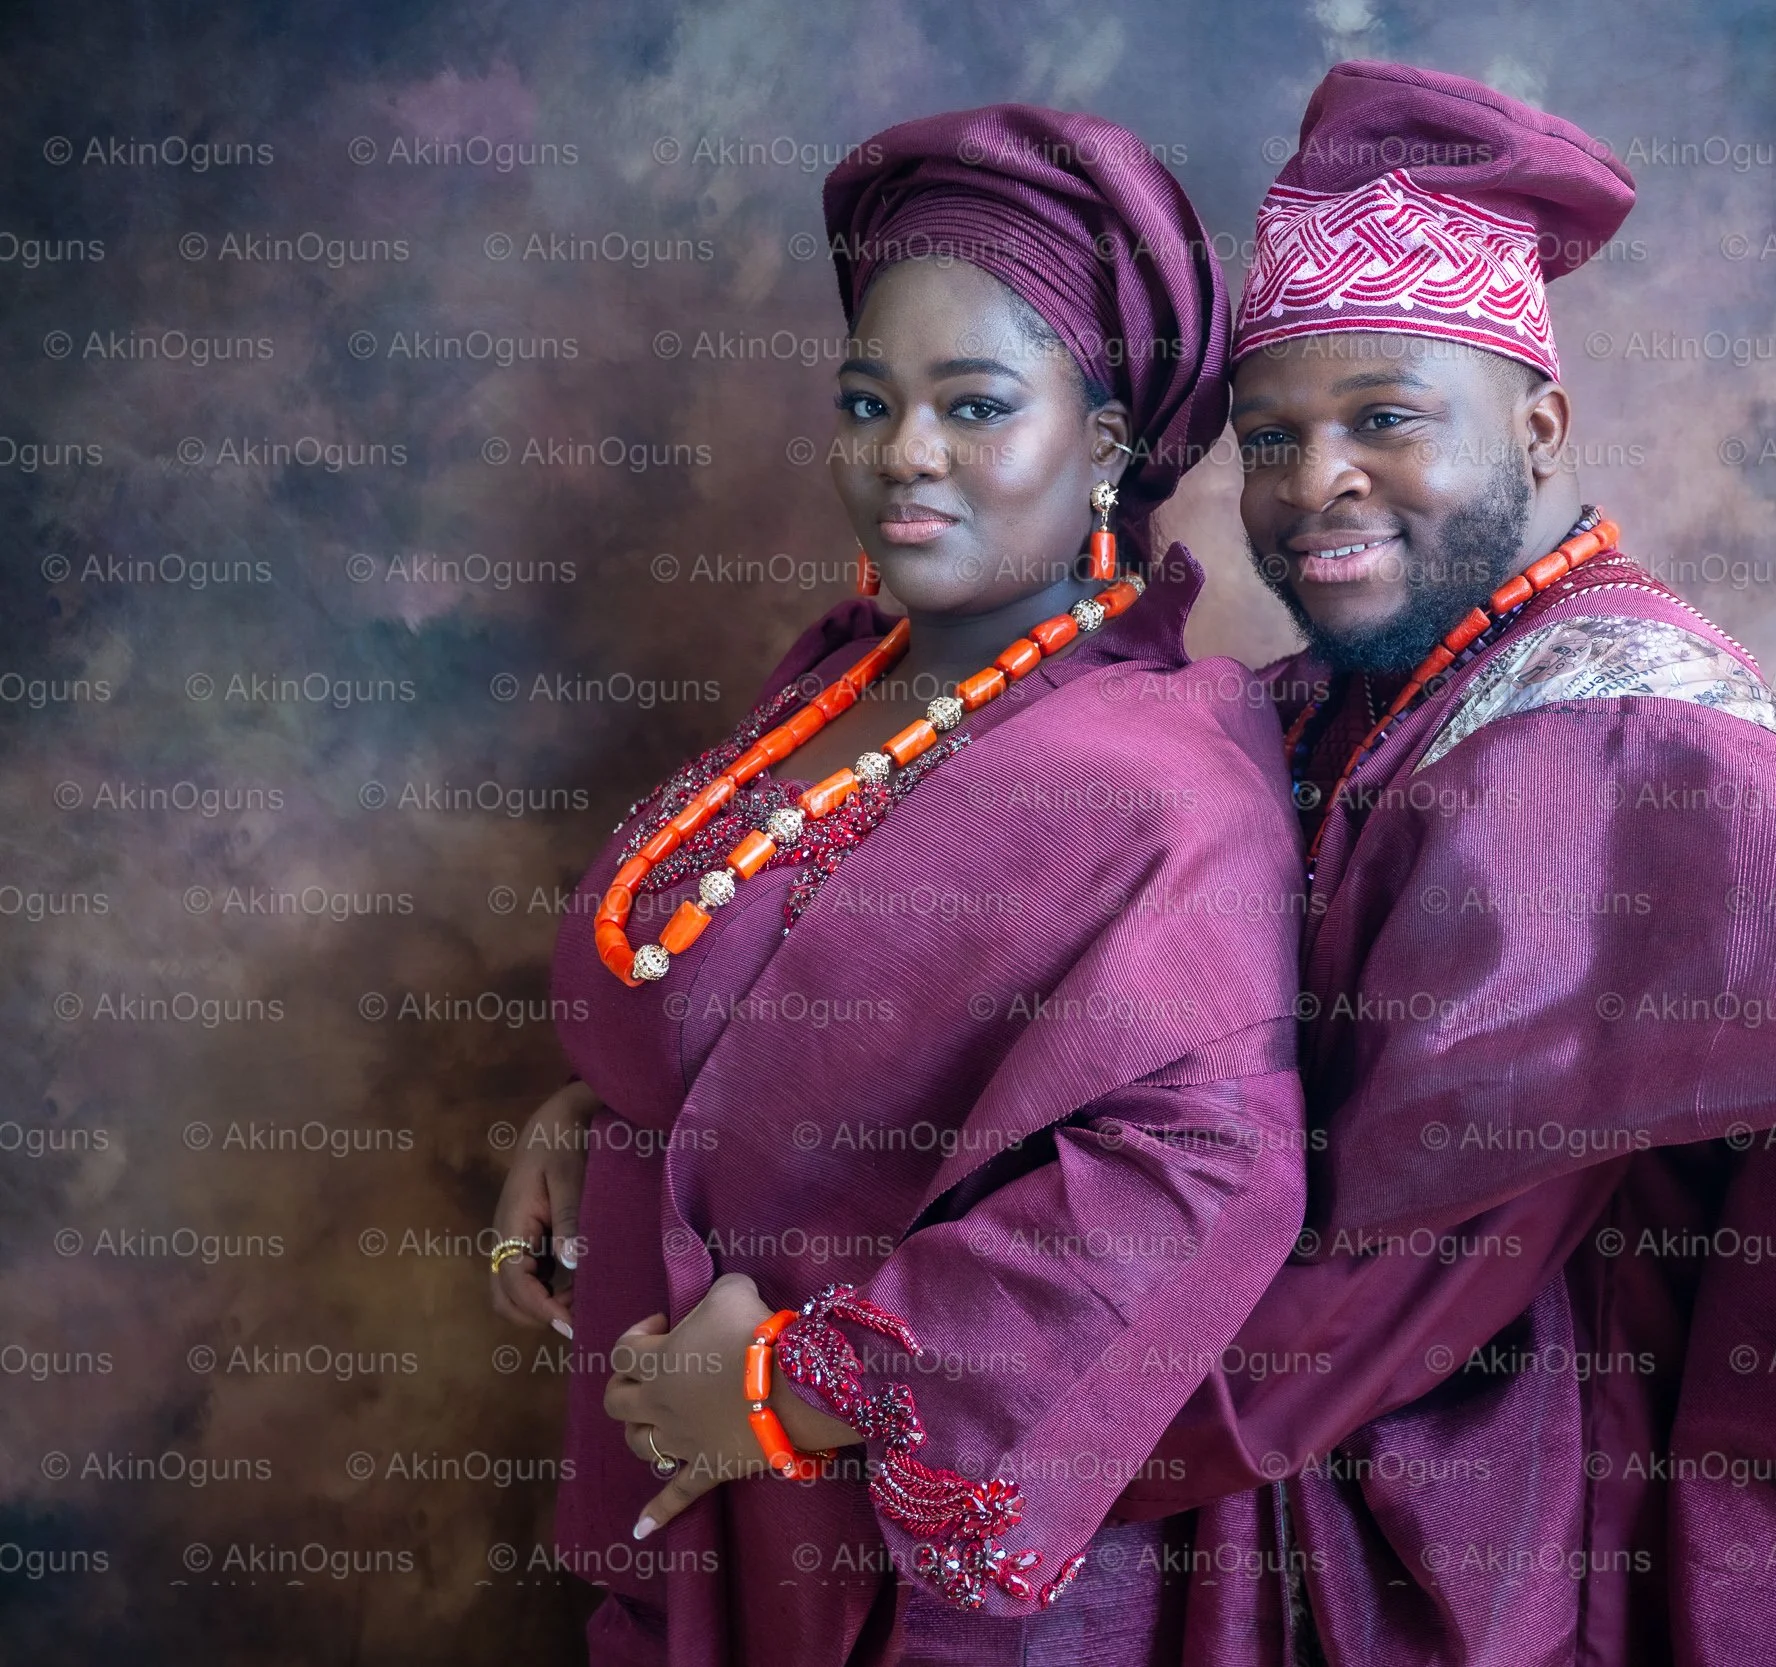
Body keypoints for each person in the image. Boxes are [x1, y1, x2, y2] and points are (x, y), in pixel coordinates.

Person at [1115, 62, 1776, 1667]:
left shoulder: (1617, 746)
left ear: (1539, 427)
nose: (1313, 485)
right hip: (1347, 1480)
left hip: (1492, 1534)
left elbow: (1378, 1283)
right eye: (1269, 439)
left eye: (1385, 419)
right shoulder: (1357, 691)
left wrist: (926, 1410)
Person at [487, 104, 1309, 1666]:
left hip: (862, 1567)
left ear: (1109, 445)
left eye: (974, 405)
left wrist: (785, 1390)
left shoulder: (1154, 779)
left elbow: (1203, 1175)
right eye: (867, 402)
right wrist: (597, 1116)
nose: (903, 454)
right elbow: (747, 989)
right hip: (677, 1501)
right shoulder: (847, 672)